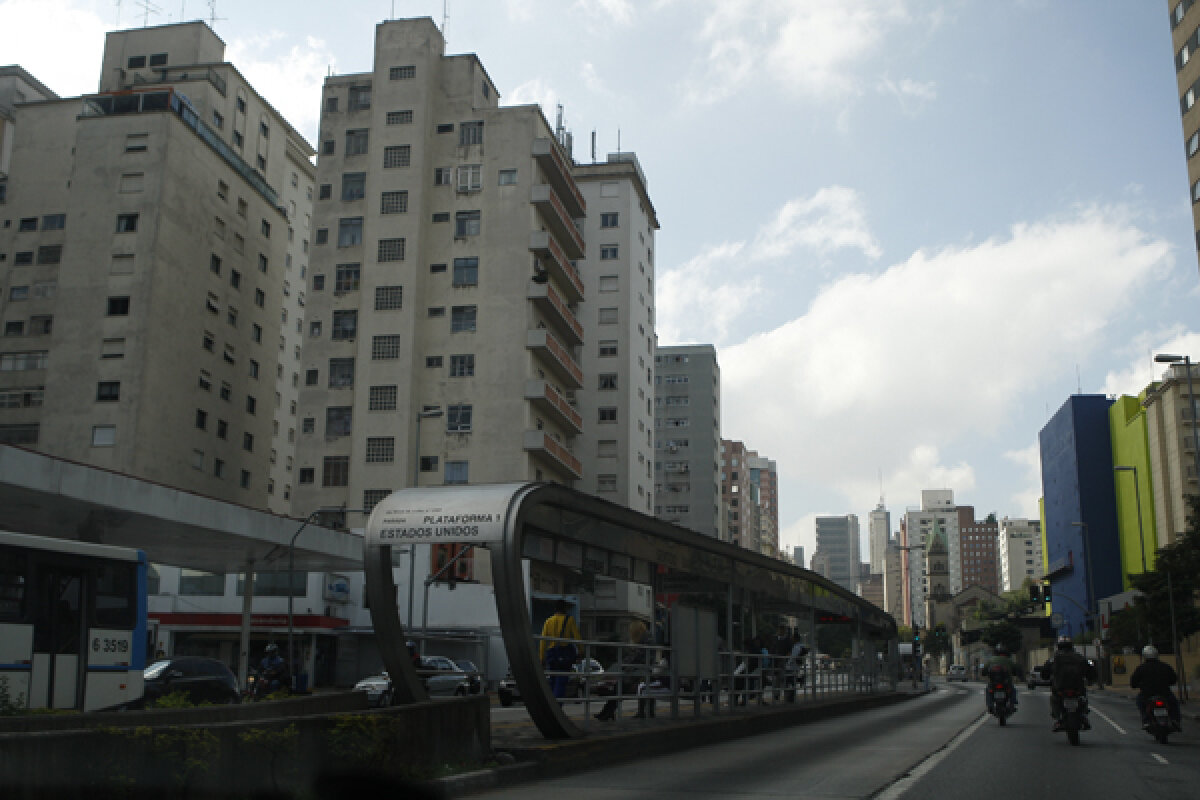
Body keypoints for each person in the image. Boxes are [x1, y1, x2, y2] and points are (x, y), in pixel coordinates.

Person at [595, 620, 651, 721]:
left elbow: (636, 657)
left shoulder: (644, 641)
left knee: (619, 687)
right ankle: (607, 712)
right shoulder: (646, 639)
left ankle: (607, 713)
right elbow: (635, 657)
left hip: (639, 670)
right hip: (637, 669)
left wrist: (623, 666)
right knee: (618, 688)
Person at [1042, 636, 1094, 731]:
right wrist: (1091, 679)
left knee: (1054, 699)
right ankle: (1083, 715)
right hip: (1077, 688)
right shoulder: (1080, 657)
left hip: (1060, 688)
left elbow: (1044, 672)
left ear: (1059, 646)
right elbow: (1090, 671)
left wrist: (1046, 677)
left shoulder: (1053, 659)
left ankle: (1058, 718)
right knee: (1083, 697)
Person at [1130, 645, 1182, 731]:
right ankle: (1175, 719)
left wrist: (1136, 685)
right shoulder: (1165, 666)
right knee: (1174, 703)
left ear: (1144, 656)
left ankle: (1146, 720)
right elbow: (1173, 678)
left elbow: (1133, 681)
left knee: (1140, 702)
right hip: (1164, 693)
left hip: (1147, 694)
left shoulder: (1141, 668)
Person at [539, 599, 580, 699]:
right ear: (565, 608)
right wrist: (581, 651)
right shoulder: (569, 620)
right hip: (564, 654)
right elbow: (577, 637)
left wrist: (542, 659)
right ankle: (556, 706)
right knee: (561, 681)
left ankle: (551, 703)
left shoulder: (548, 621)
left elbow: (543, 642)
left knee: (552, 680)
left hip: (552, 654)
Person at [983, 644, 1018, 713]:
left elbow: (984, 670)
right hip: (1006, 683)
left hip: (993, 683)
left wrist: (984, 673)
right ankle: (1012, 703)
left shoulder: (991, 660)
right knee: (1013, 690)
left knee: (988, 690)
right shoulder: (1008, 660)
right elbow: (1015, 669)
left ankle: (990, 704)